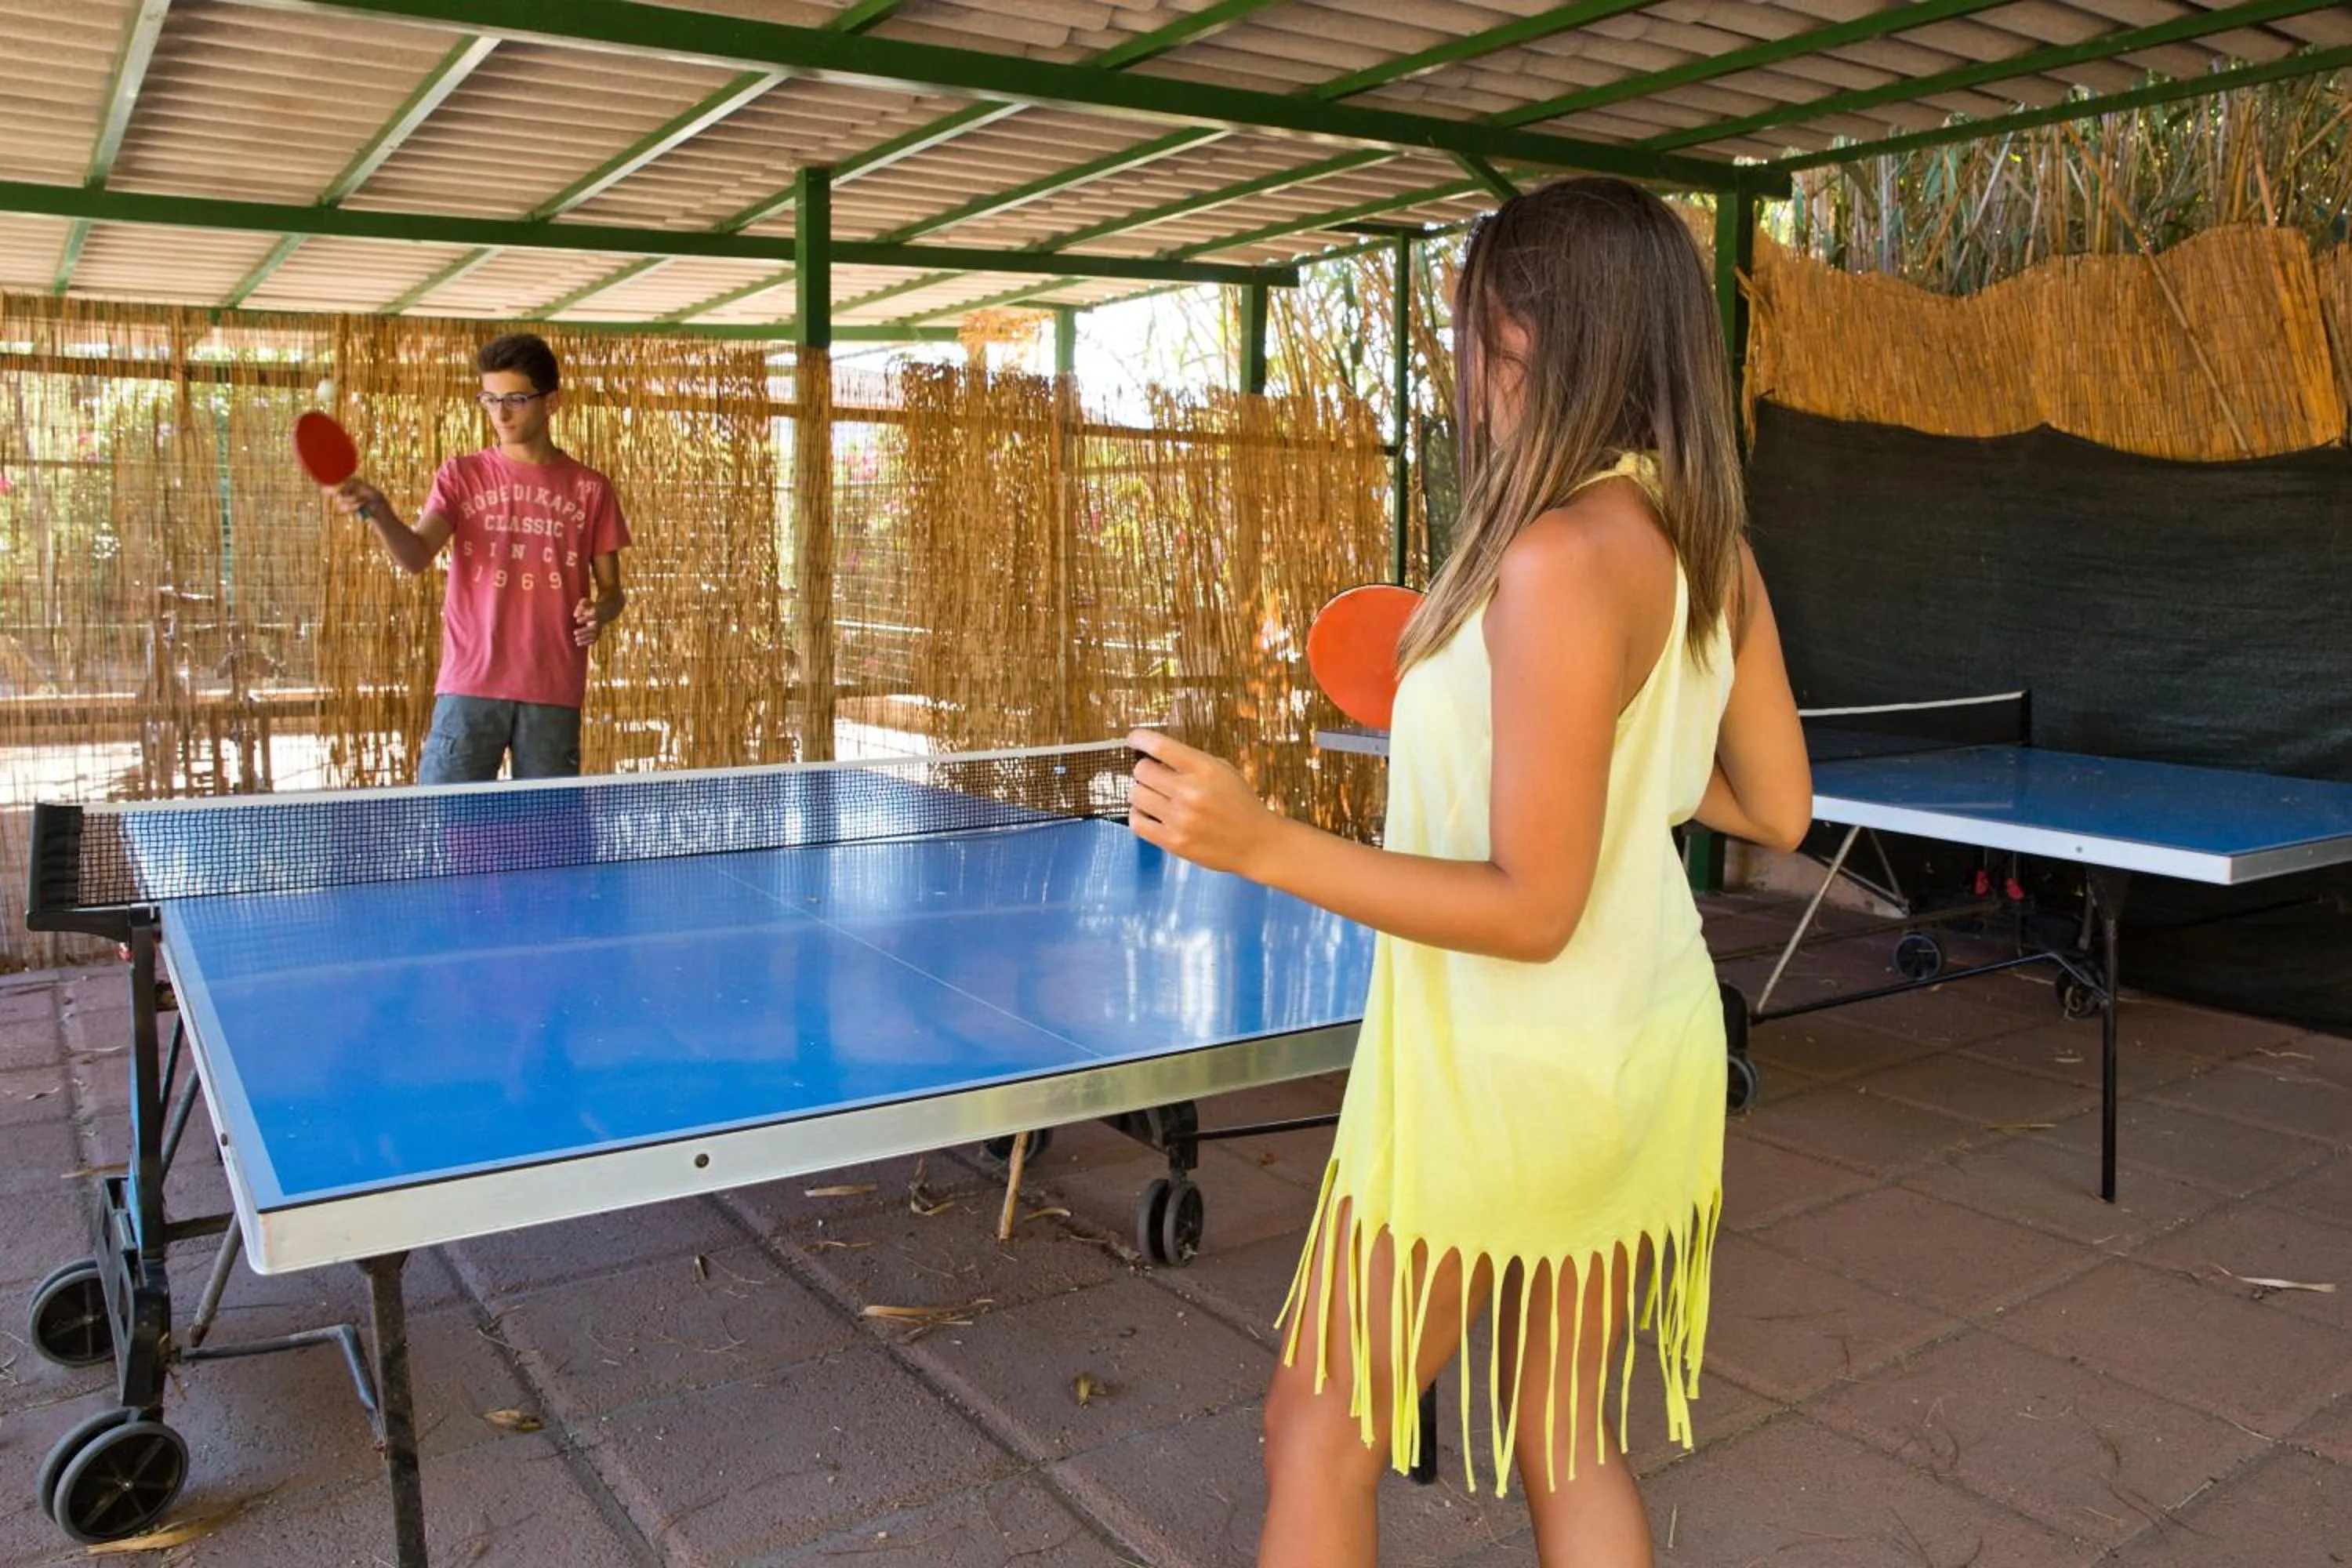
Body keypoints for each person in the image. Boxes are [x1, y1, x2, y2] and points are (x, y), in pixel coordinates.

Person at [1127, 177, 1813, 1567]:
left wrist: (1262, 843)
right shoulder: (1706, 549)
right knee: (1569, 1432)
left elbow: (1534, 907)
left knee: (1316, 1434)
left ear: (1541, 335)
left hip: (1506, 1068)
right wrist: (1619, 764)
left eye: (1480, 319)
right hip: (1643, 1054)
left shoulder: (1557, 559)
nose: (1468, 358)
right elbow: (1780, 811)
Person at [329, 332, 630, 783]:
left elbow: (613, 593)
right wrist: (379, 510)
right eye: (489, 399)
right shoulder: (460, 476)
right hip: (470, 683)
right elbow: (415, 556)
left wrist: (599, 612)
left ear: (552, 403)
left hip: (552, 687)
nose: (501, 414)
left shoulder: (591, 489)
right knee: (447, 828)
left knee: (549, 840)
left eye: (515, 399)